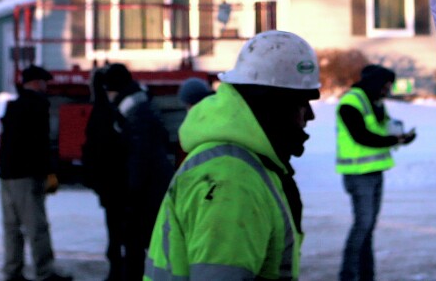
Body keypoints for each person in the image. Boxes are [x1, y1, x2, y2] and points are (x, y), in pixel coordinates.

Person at [144, 31, 321, 281]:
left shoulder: (248, 164)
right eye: (302, 103)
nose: (310, 116)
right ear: (273, 105)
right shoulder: (231, 178)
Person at [336, 64, 417, 281]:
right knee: (362, 226)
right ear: (375, 83)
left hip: (374, 172)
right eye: (386, 85)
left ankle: (366, 276)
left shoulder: (374, 102)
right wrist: (395, 140)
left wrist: (402, 137)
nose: (387, 90)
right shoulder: (351, 102)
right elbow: (361, 136)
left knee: (367, 228)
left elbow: (383, 129)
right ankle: (348, 276)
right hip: (357, 174)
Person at [0, 65, 72, 281]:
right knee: (36, 226)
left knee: (12, 227)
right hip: (27, 175)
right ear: (36, 83)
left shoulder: (13, 106)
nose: (46, 87)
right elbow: (40, 145)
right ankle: (45, 270)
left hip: (7, 174)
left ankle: (13, 271)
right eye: (44, 82)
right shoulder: (38, 106)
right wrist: (50, 175)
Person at [101, 63, 173, 281]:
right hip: (150, 188)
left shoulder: (134, 113)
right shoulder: (139, 105)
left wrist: (130, 193)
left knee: (138, 241)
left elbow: (139, 159)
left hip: (146, 192)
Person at [81, 66, 130, 281]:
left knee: (115, 226)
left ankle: (117, 269)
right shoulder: (117, 110)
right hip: (119, 180)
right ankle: (122, 268)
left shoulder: (101, 112)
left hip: (110, 181)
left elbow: (93, 147)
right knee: (125, 227)